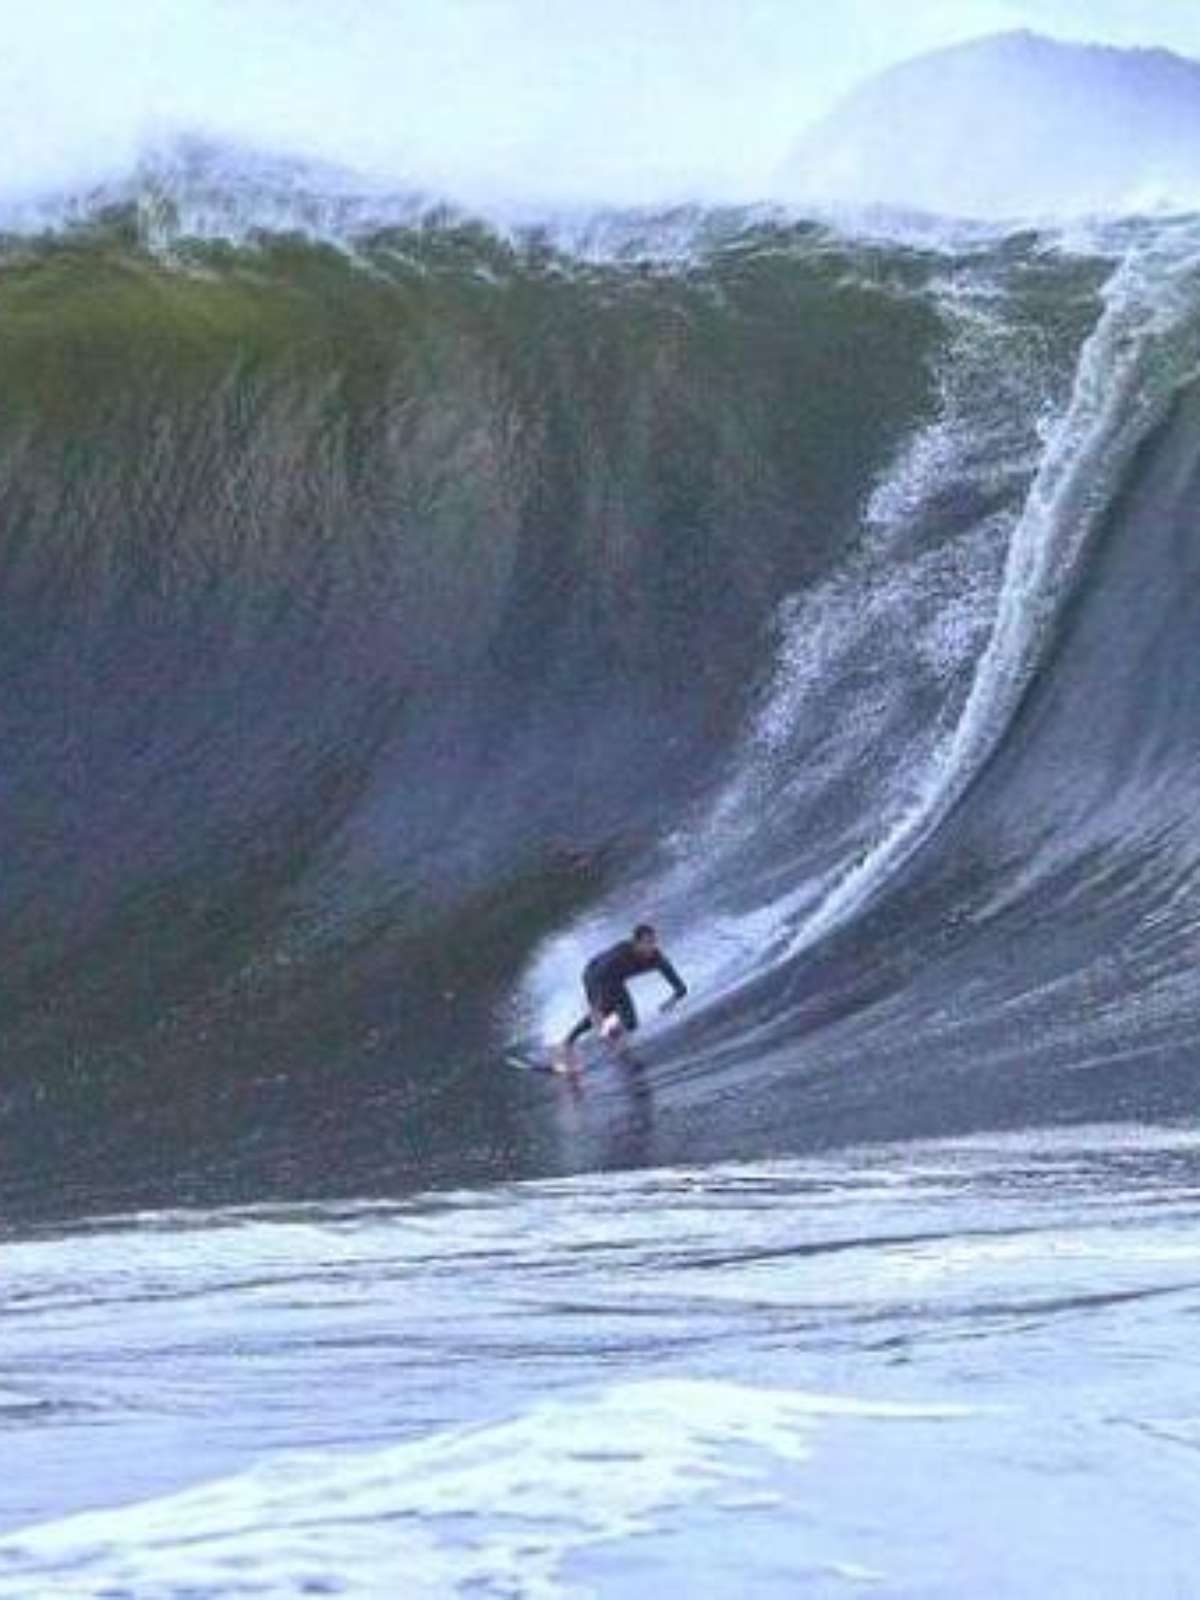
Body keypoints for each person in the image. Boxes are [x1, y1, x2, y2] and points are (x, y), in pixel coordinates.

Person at [556, 923, 687, 1072]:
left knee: (631, 1024)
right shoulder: (619, 957)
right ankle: (568, 1043)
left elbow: (681, 989)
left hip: (616, 980)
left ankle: (615, 1041)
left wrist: (670, 1001)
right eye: (647, 943)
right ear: (635, 943)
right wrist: (595, 1010)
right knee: (604, 1010)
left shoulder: (656, 958)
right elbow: (596, 981)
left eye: (653, 942)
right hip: (594, 974)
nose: (651, 947)